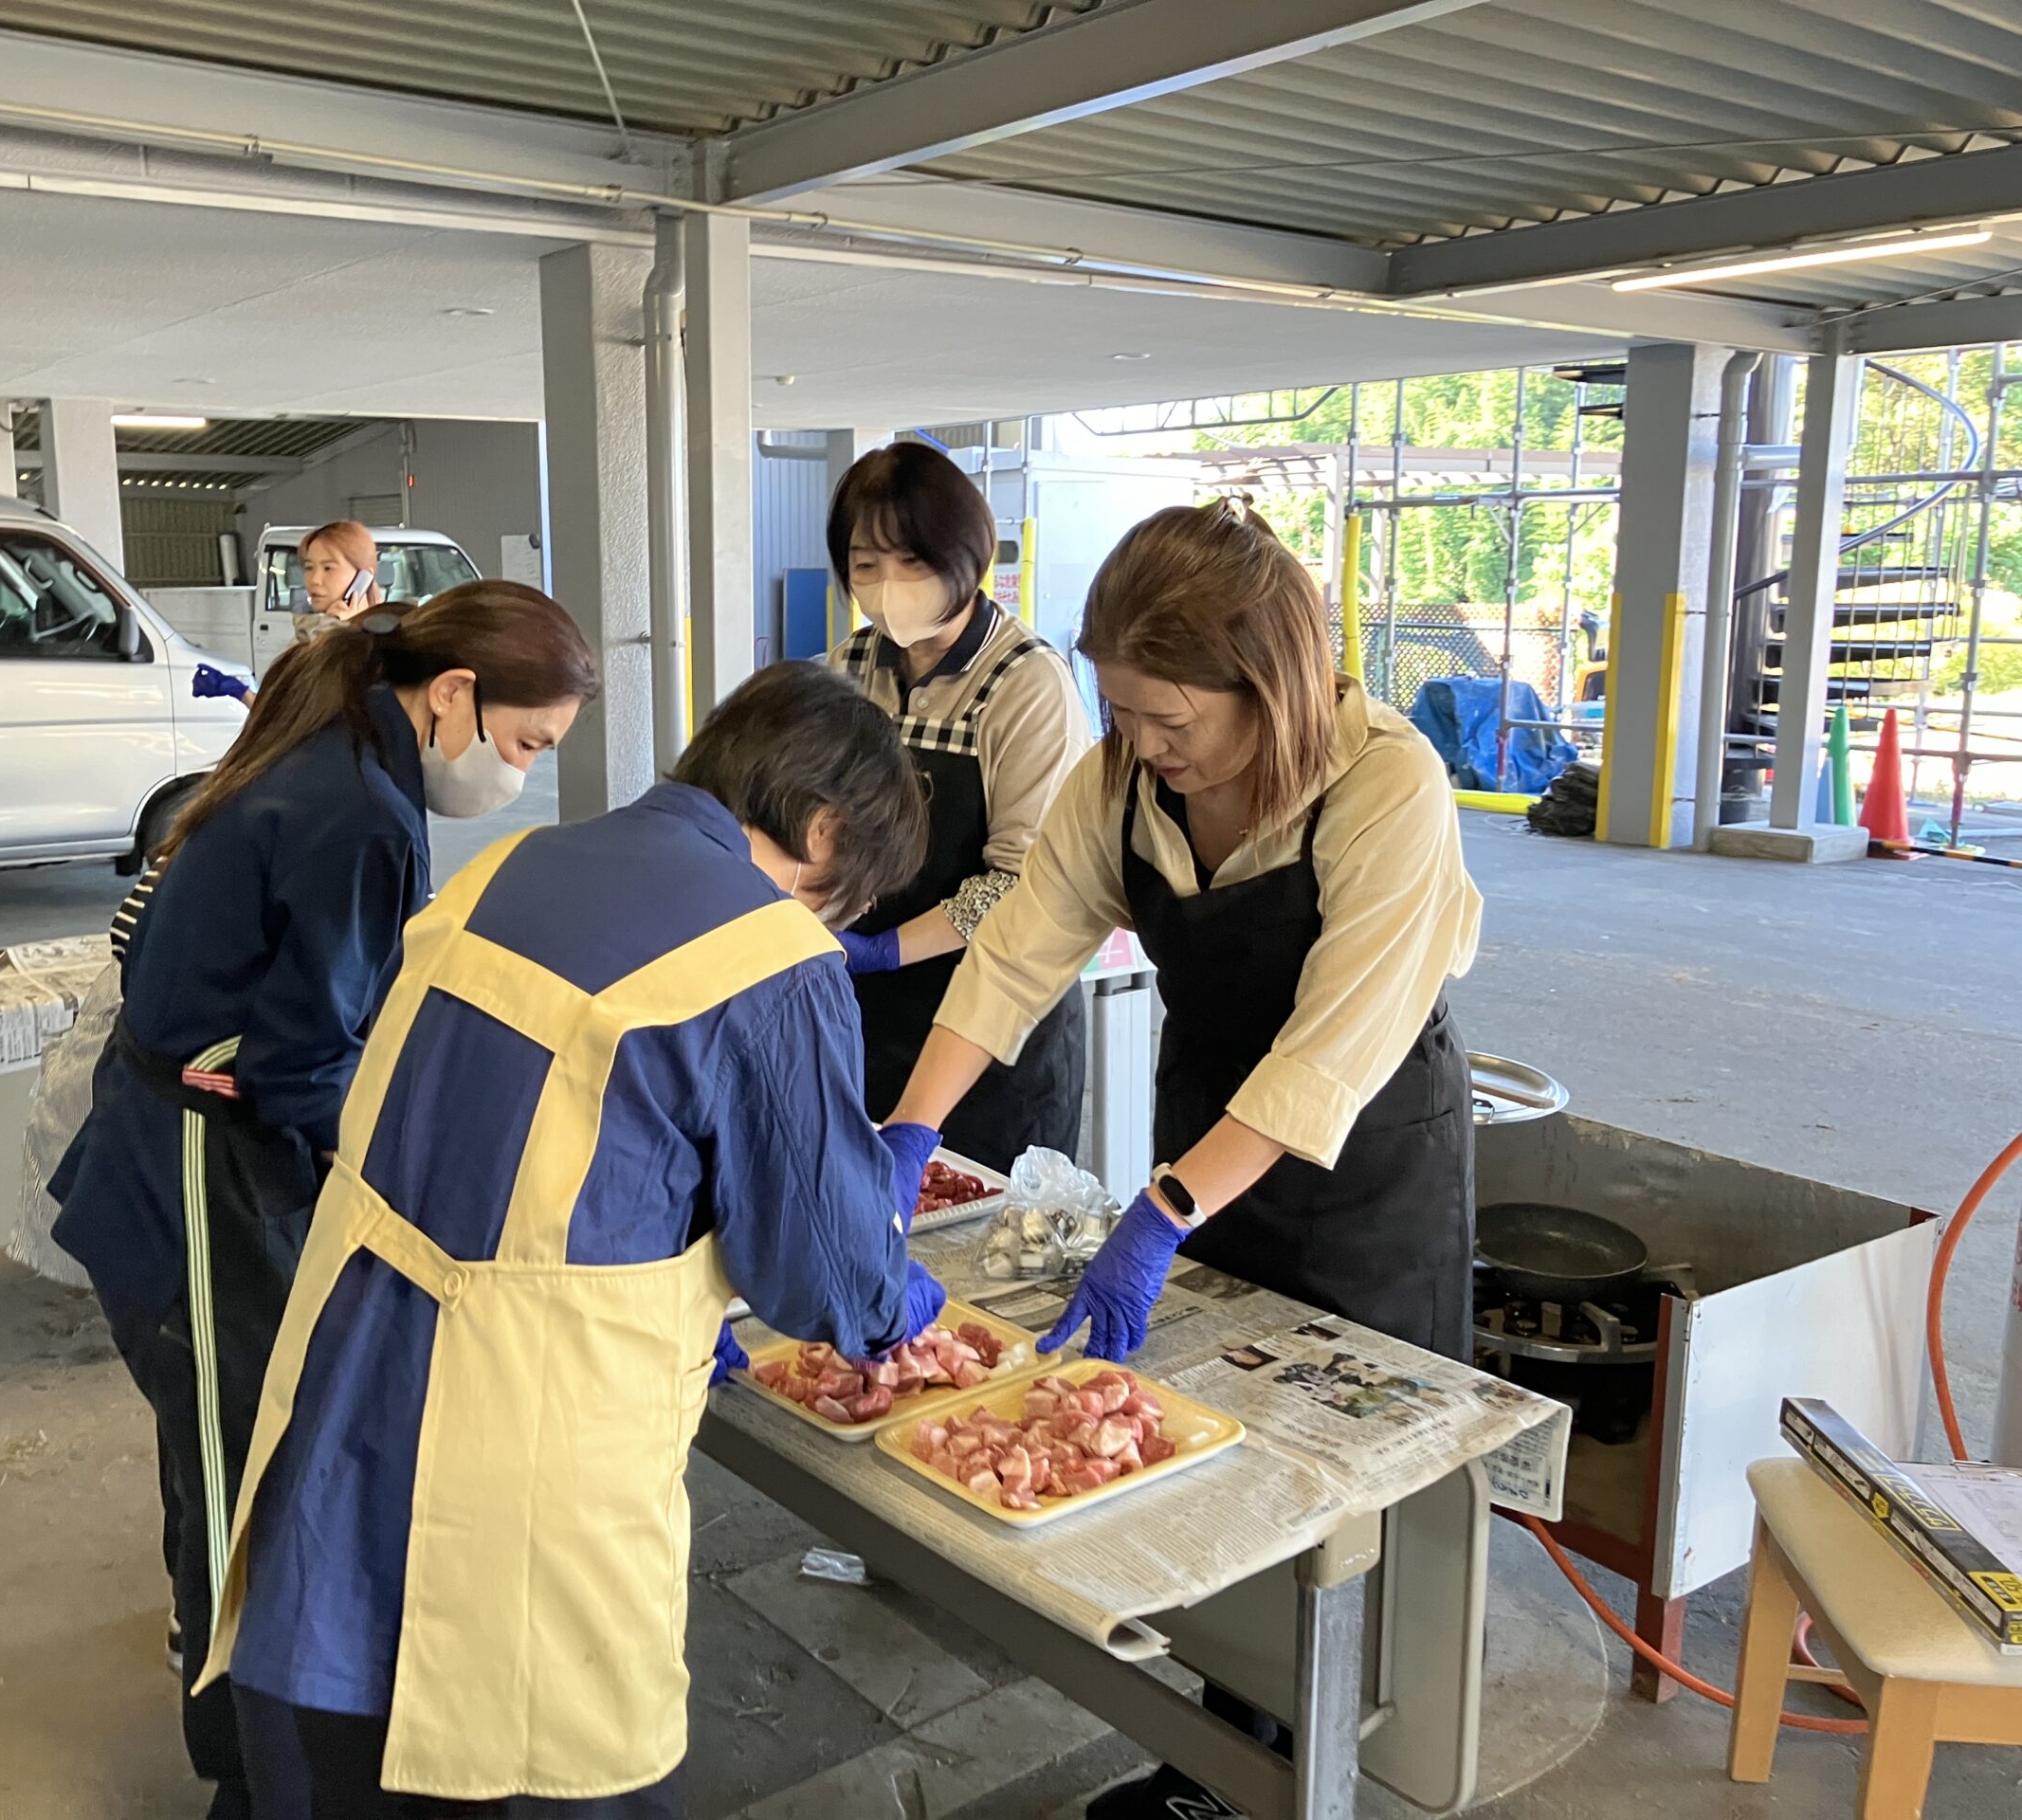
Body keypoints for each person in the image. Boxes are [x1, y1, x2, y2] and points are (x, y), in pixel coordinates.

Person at [194, 662, 953, 1819]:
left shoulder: (513, 862)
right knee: (528, 1758)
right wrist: (898, 1299)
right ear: (821, 828)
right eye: (840, 900)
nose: (829, 929)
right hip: (525, 1420)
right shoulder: (770, 959)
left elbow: (540, 1138)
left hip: (350, 1353)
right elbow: (822, 1277)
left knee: (338, 1720)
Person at [888, 500, 1482, 1820]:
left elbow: (1330, 1052)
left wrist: (1161, 1212)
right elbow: (1016, 955)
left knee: (1344, 1479)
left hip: (1365, 1155)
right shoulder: (1123, 781)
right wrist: (913, 1128)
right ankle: (1220, 1755)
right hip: (1209, 1121)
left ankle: (1342, 1758)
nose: (1145, 748)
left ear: (1267, 693)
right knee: (1209, 1444)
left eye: (1176, 723)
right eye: (1128, 715)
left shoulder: (1385, 785)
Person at [50, 582, 598, 1820]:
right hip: (193, 1175)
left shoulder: (337, 748)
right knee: (237, 1474)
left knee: (253, 1456)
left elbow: (279, 1004)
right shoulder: (356, 805)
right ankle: (248, 1772)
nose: (519, 773)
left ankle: (269, 1727)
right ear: (454, 695)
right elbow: (304, 1065)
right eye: (527, 746)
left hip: (211, 1134)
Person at [823, 442, 1092, 1171]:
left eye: (911, 561)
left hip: (994, 1029)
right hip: (871, 1020)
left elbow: (1025, 883)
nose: (887, 586)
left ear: (966, 557)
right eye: (865, 564)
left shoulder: (1025, 684)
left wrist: (884, 949)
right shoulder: (846, 669)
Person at [194, 519, 386, 705]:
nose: (315, 579)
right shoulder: (312, 632)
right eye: (309, 567)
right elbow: (287, 717)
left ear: (364, 577)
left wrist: (335, 630)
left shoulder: (373, 643)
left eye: (328, 568)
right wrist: (242, 693)